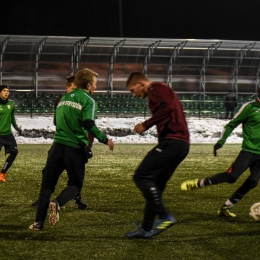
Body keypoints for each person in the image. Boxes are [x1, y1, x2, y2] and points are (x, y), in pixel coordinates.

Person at [29, 68, 114, 231]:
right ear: (88, 85)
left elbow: (55, 122)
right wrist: (105, 139)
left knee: (47, 186)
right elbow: (88, 123)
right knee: (75, 184)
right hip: (74, 149)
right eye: (95, 84)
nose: (96, 87)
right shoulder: (89, 100)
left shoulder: (63, 98)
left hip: (56, 148)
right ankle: (58, 203)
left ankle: (38, 223)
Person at [124, 72, 190, 239]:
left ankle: (164, 217)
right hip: (179, 144)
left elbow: (168, 108)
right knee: (155, 188)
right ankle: (146, 228)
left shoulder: (155, 87)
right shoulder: (160, 89)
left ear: (140, 83)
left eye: (133, 90)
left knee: (141, 176)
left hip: (173, 142)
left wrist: (146, 124)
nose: (134, 95)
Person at [181, 88, 260, 217]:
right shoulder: (250, 107)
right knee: (231, 177)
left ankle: (226, 207)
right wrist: (221, 141)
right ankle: (199, 183)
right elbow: (231, 125)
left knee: (253, 181)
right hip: (249, 151)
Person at [31, 75, 89, 209]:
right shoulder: (61, 101)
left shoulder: (83, 101)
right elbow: (58, 123)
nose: (76, 90)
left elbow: (88, 127)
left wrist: (87, 146)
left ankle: (76, 199)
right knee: (47, 172)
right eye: (73, 88)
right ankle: (43, 200)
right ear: (67, 87)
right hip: (61, 143)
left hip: (75, 145)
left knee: (74, 176)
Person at [0, 85, 22, 183]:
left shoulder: (11, 104)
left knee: (14, 152)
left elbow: (12, 117)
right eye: (4, 90)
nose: (6, 92)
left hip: (8, 134)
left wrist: (16, 127)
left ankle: (2, 173)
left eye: (8, 91)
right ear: (0, 92)